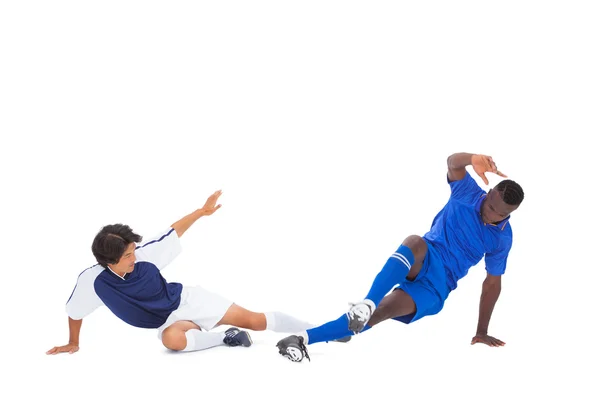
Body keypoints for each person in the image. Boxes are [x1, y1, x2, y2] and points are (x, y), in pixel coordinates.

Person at [275, 152, 525, 362]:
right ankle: (365, 304)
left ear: (510, 214)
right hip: (426, 255)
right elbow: (453, 163)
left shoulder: (502, 239)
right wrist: (473, 158)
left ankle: (306, 337)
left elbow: (492, 283)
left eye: (498, 214)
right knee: (414, 241)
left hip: (438, 286)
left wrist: (482, 331)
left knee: (381, 312)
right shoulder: (468, 193)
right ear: (489, 191)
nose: (489, 213)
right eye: (490, 204)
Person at [47, 190, 317, 355]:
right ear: (108, 261)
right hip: (169, 322)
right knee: (172, 341)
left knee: (255, 320)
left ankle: (319, 331)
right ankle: (226, 337)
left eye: (133, 250)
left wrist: (201, 211)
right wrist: (73, 342)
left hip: (187, 301)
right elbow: (74, 311)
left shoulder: (144, 257)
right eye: (127, 255)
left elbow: (174, 230)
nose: (134, 257)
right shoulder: (92, 282)